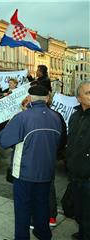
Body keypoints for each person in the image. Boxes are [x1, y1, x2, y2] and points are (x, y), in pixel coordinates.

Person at [0, 85, 65, 240]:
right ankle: (43, 234)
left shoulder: (22, 117)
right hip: (47, 172)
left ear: (29, 98)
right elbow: (60, 143)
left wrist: (12, 121)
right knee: (42, 206)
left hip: (24, 172)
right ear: (47, 99)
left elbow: (4, 140)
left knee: (22, 209)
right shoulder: (56, 117)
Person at [66, 80, 90, 240]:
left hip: (89, 175)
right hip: (75, 173)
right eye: (88, 93)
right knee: (79, 210)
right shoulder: (74, 116)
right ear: (79, 98)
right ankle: (82, 232)